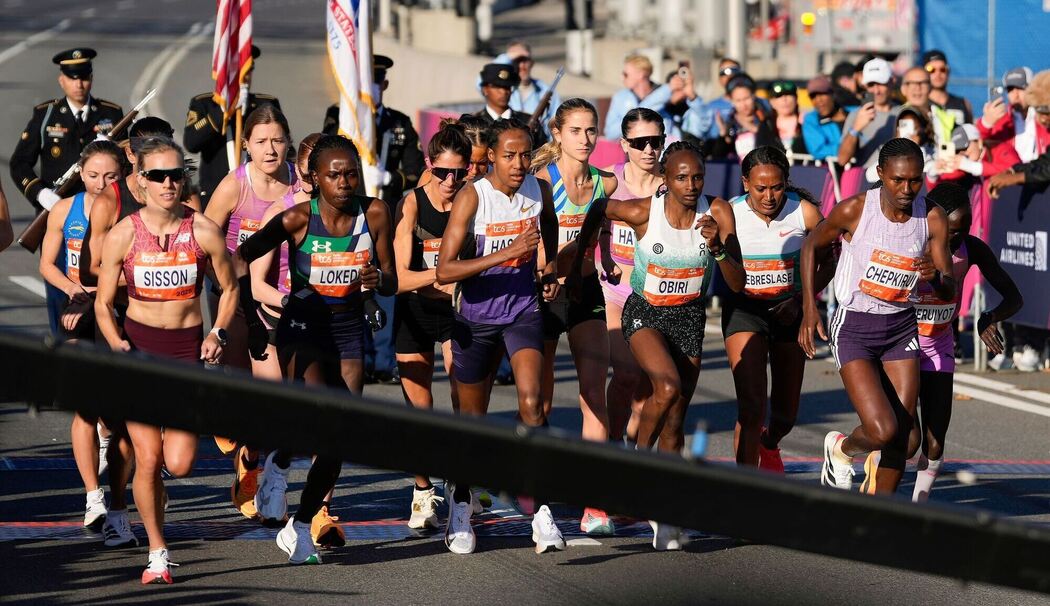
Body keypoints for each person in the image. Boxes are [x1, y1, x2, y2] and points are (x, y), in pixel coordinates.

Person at [574, 140, 744, 549]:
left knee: (675, 420)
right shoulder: (641, 210)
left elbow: (738, 283)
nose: (690, 184)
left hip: (688, 317)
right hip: (644, 312)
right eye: (681, 177)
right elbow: (599, 207)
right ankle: (636, 459)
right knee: (665, 387)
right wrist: (583, 256)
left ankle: (663, 514)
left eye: (697, 177)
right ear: (665, 180)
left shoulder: (717, 212)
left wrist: (718, 248)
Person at [237, 135, 397, 565]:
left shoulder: (375, 212)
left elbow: (392, 279)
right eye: (334, 174)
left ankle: (301, 525)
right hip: (303, 325)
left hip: (346, 330)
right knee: (312, 415)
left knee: (340, 436)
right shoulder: (296, 220)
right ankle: (281, 459)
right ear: (313, 179)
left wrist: (375, 282)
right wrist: (252, 323)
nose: (344, 182)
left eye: (351, 174)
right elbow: (239, 259)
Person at [95, 137, 238, 583]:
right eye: (157, 175)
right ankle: (158, 551)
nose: (169, 183)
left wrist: (218, 331)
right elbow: (102, 303)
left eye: (177, 174)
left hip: (185, 354)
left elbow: (230, 288)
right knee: (149, 457)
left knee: (179, 463)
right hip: (139, 351)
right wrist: (116, 340)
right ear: (140, 182)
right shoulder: (123, 233)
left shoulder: (203, 230)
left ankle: (153, 497)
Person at [435, 118, 562, 555]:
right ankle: (461, 504)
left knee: (532, 403)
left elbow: (550, 225)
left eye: (525, 154)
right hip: (475, 318)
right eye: (509, 155)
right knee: (473, 424)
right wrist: (506, 254)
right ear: (490, 156)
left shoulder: (538, 190)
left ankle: (543, 512)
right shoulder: (473, 197)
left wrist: (548, 270)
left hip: (522, 310)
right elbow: (444, 269)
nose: (519, 163)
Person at [799, 138, 955, 495]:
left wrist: (935, 278)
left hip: (901, 328)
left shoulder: (931, 218)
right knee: (883, 430)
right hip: (854, 326)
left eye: (915, 180)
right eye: (898, 180)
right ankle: (841, 449)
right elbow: (812, 245)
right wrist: (811, 307)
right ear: (881, 175)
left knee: (907, 437)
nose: (906, 189)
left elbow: (949, 291)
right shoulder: (854, 210)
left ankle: (879, 518)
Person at [861, 182, 1022, 499]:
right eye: (952, 231)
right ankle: (874, 460)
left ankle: (917, 507)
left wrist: (988, 317)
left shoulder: (970, 249)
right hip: (899, 346)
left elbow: (1014, 297)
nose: (958, 238)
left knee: (935, 445)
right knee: (908, 441)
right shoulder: (911, 246)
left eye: (966, 228)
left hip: (938, 347)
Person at [204, 105, 299, 521]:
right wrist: (223, 280)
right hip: (234, 295)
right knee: (241, 384)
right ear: (247, 146)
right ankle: (243, 450)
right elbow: (203, 238)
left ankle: (255, 461)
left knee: (272, 392)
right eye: (261, 141)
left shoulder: (298, 182)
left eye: (277, 140)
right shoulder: (233, 186)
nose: (270, 149)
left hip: (277, 295)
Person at [531, 99, 618, 535]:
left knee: (593, 393)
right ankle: (538, 484)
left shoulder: (607, 182)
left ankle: (594, 501)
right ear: (558, 134)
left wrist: (606, 259)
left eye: (591, 130)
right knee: (540, 400)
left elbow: (598, 233)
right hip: (546, 294)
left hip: (587, 293)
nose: (585, 139)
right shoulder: (541, 180)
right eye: (577, 131)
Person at [37, 140, 130, 532]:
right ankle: (93, 497)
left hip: (117, 307)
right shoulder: (64, 208)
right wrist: (74, 291)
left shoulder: (129, 210)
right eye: (92, 175)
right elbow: (46, 263)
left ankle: (111, 449)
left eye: (110, 175)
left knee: (116, 408)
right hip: (77, 311)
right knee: (83, 405)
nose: (100, 183)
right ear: (80, 171)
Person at [720, 146, 830, 470]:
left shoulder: (804, 212)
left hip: (790, 312)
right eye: (760, 188)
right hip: (745, 309)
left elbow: (832, 259)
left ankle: (770, 443)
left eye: (777, 187)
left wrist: (802, 300)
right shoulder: (730, 212)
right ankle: (745, 485)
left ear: (787, 182)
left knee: (785, 415)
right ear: (745, 184)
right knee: (752, 406)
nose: (769, 196)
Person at [10, 47, 123, 336]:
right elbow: (20, 163)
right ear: (62, 80)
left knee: (105, 293)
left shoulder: (111, 114)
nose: (79, 84)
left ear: (91, 78)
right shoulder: (46, 115)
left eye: (84, 77)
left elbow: (127, 161)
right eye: (72, 78)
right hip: (59, 215)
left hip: (104, 213)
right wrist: (40, 194)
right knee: (62, 296)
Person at [392, 120, 471, 529]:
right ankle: (422, 492)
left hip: (459, 311)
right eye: (442, 172)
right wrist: (443, 273)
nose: (450, 180)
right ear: (429, 167)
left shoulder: (473, 201)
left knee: (463, 399)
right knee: (419, 410)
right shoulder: (411, 204)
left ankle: (461, 483)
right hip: (417, 311)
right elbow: (400, 279)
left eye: (459, 172)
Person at [596, 108, 665, 445]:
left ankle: (634, 448)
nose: (649, 150)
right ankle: (610, 443)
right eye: (640, 143)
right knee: (624, 373)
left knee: (646, 391)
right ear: (624, 144)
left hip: (654, 296)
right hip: (614, 292)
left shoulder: (671, 187)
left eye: (656, 141)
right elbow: (586, 227)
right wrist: (603, 258)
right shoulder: (609, 180)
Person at [183, 45, 281, 206]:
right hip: (214, 194)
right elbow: (191, 143)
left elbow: (284, 146)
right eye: (237, 72)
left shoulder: (266, 104)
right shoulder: (204, 104)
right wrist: (224, 110)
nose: (244, 77)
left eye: (248, 70)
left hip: (257, 193)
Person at [322, 55, 425, 208]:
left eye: (375, 81)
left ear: (385, 84)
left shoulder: (400, 122)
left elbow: (416, 170)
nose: (368, 88)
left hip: (385, 205)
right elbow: (325, 153)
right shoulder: (339, 116)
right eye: (363, 83)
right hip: (348, 204)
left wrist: (389, 178)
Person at [837, 58, 899, 170]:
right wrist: (855, 129)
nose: (876, 90)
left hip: (897, 181)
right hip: (865, 181)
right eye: (871, 85)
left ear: (891, 81)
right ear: (865, 86)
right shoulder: (856, 115)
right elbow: (842, 160)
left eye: (881, 83)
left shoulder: (904, 113)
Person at [474, 63, 547, 149]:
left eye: (507, 87)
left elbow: (542, 155)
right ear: (485, 89)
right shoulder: (475, 123)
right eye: (497, 86)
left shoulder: (527, 120)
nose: (503, 91)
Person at [603, 55, 674, 141]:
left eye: (626, 74)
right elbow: (610, 133)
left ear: (640, 74)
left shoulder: (669, 93)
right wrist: (633, 119)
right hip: (634, 151)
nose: (622, 78)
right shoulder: (620, 97)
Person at [709, 74, 778, 160]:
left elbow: (772, 145)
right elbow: (718, 156)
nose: (744, 104)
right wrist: (723, 134)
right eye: (738, 100)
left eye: (746, 98)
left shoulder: (766, 118)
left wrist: (755, 129)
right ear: (732, 101)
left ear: (753, 96)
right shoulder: (731, 124)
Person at [802, 75, 849, 160]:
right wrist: (851, 148)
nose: (818, 100)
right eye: (813, 96)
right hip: (831, 170)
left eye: (822, 94)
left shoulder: (853, 113)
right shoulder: (811, 120)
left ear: (832, 94)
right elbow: (818, 150)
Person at [922, 50, 973, 126]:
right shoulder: (921, 105)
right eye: (931, 70)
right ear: (924, 73)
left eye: (942, 69)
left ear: (948, 72)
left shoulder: (964, 104)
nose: (938, 74)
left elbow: (971, 134)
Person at [768, 80, 808, 156]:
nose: (784, 99)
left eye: (789, 94)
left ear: (796, 99)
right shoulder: (766, 125)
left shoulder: (808, 121)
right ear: (772, 102)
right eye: (779, 96)